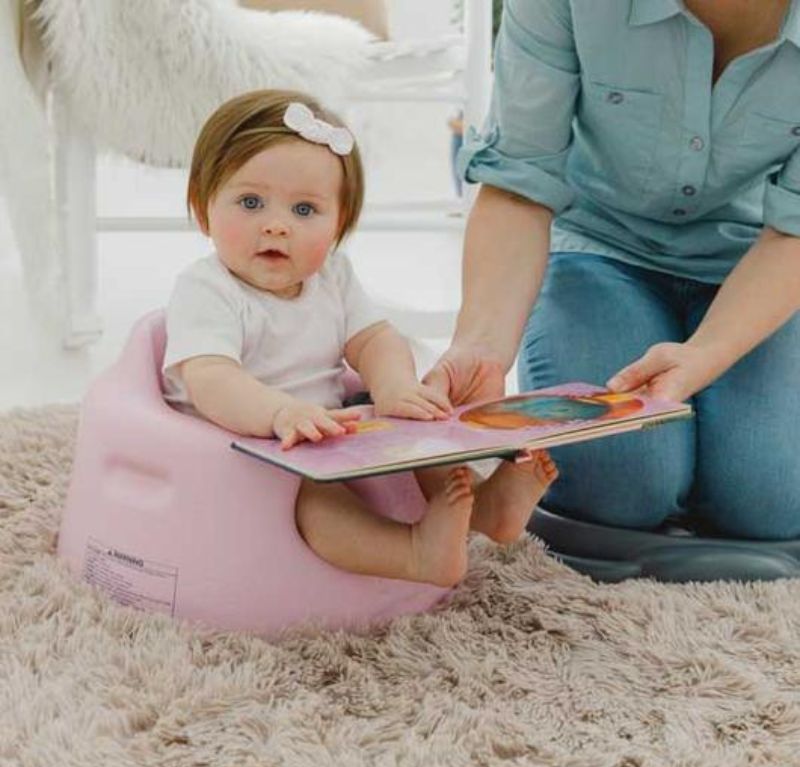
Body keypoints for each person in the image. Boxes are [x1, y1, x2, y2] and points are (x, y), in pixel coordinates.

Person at [425, 0, 800, 540]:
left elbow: (792, 230)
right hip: (597, 246)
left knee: (771, 503)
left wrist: (707, 353)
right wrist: (481, 345)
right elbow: (521, 183)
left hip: (756, 259)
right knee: (622, 488)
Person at [162, 89, 558, 587]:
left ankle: (486, 508)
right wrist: (279, 413)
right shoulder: (208, 290)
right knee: (313, 500)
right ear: (203, 208)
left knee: (416, 438)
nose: (277, 226)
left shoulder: (332, 277)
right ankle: (414, 554)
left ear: (339, 226)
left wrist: (393, 386)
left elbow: (375, 339)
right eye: (250, 202)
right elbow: (212, 379)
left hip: (323, 433)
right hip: (244, 444)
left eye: (305, 210)